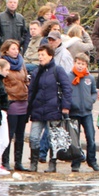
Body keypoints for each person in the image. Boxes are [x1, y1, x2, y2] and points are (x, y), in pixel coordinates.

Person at [27, 45, 72, 173]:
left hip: (53, 109)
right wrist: (29, 107)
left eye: (43, 55)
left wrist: (65, 106)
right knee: (34, 137)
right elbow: (32, 91)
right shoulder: (37, 72)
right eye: (39, 55)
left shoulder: (58, 70)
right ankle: (33, 163)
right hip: (38, 108)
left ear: (50, 56)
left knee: (53, 138)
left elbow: (67, 89)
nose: (40, 57)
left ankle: (52, 163)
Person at [0, 39, 30, 171]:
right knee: (9, 133)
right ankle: (5, 161)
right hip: (11, 100)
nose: (16, 51)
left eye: (17, 49)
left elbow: (25, 79)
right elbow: (1, 83)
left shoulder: (21, 63)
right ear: (6, 50)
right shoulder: (3, 64)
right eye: (13, 49)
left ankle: (18, 161)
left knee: (20, 134)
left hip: (23, 100)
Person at [70, 53, 99, 172]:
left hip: (87, 112)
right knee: (75, 140)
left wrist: (91, 100)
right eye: (78, 63)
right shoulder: (69, 76)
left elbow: (94, 92)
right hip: (74, 112)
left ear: (86, 65)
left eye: (83, 64)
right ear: (74, 63)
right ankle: (76, 162)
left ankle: (92, 160)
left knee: (91, 138)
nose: (80, 66)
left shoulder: (90, 78)